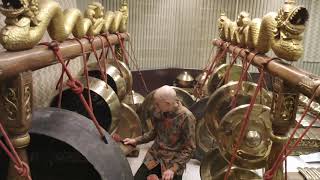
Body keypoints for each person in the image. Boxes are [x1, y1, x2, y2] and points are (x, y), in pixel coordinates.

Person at [124, 85, 196, 180]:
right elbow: (153, 133)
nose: (155, 106)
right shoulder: (161, 111)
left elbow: (189, 149)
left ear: (167, 103)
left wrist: (173, 169)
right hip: (155, 156)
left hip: (173, 161)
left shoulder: (187, 118)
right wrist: (135, 140)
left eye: (158, 104)